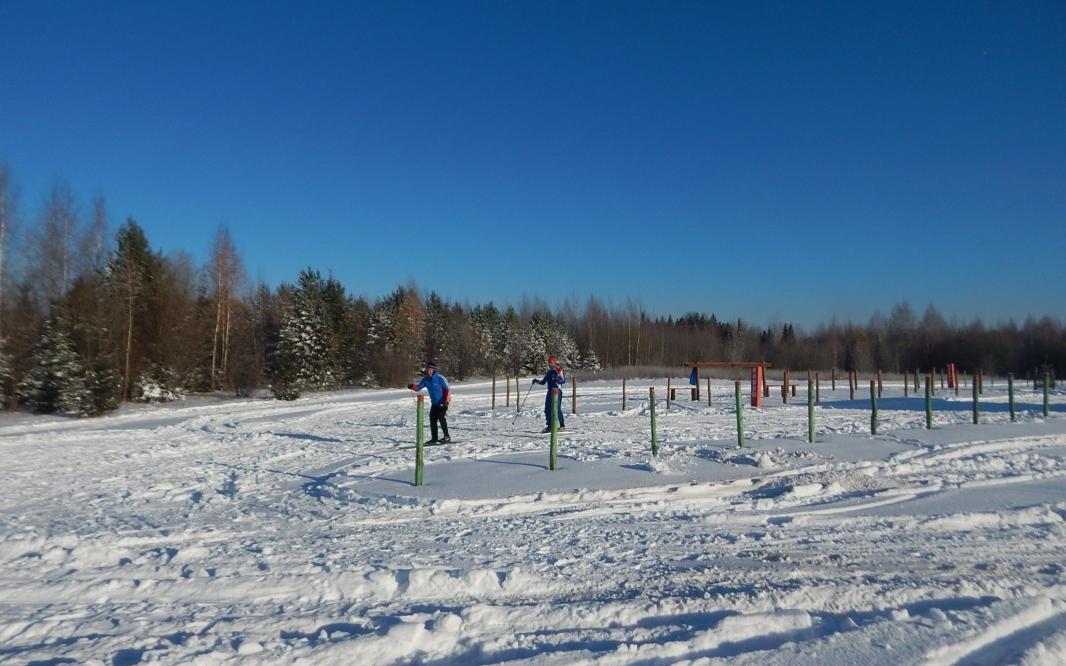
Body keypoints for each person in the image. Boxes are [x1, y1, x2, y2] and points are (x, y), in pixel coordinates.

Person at [408, 361, 451, 443]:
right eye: (427, 369)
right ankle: (434, 438)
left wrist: (446, 402)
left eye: (430, 369)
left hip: (442, 403)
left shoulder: (439, 378)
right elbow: (418, 388)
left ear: (434, 370)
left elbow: (447, 390)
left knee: (441, 418)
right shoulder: (425, 380)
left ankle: (447, 437)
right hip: (434, 404)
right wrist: (412, 386)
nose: (428, 371)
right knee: (432, 420)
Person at [532, 356, 566, 433]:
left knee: (556, 409)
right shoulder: (549, 372)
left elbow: (563, 380)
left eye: (552, 363)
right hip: (549, 392)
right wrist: (536, 381)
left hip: (557, 391)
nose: (550, 365)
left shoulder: (558, 370)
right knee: (547, 409)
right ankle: (550, 426)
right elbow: (543, 382)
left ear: (555, 363)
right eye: (549, 363)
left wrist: (558, 380)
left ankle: (562, 425)